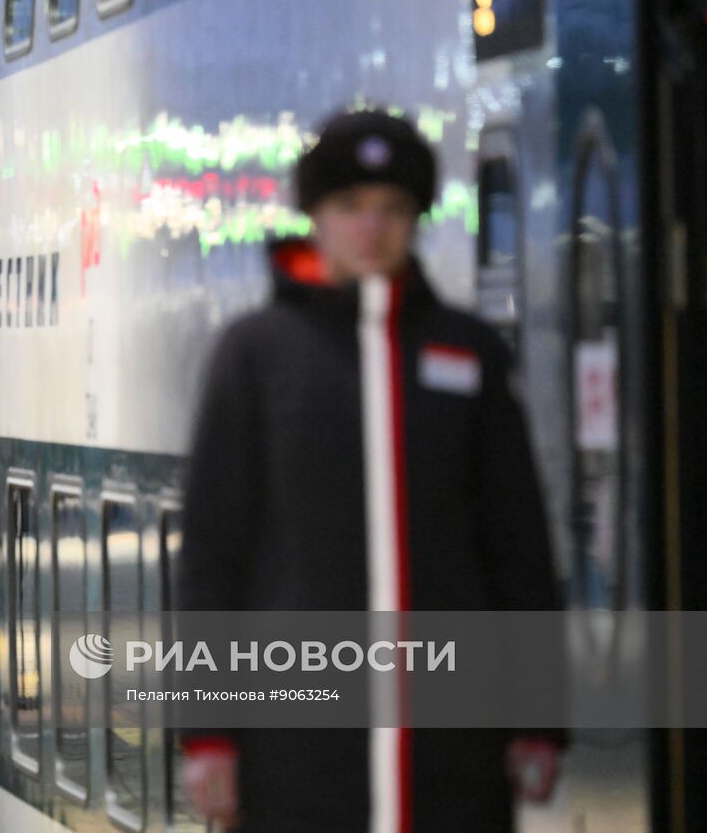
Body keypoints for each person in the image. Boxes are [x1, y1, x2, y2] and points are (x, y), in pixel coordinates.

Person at [176, 109, 563, 832]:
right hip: (296, 753)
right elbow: (211, 555)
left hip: (453, 756)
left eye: (391, 209)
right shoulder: (257, 355)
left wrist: (538, 718)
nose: (371, 228)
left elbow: (519, 547)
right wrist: (207, 733)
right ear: (315, 218)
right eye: (349, 207)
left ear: (415, 218)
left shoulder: (468, 353)